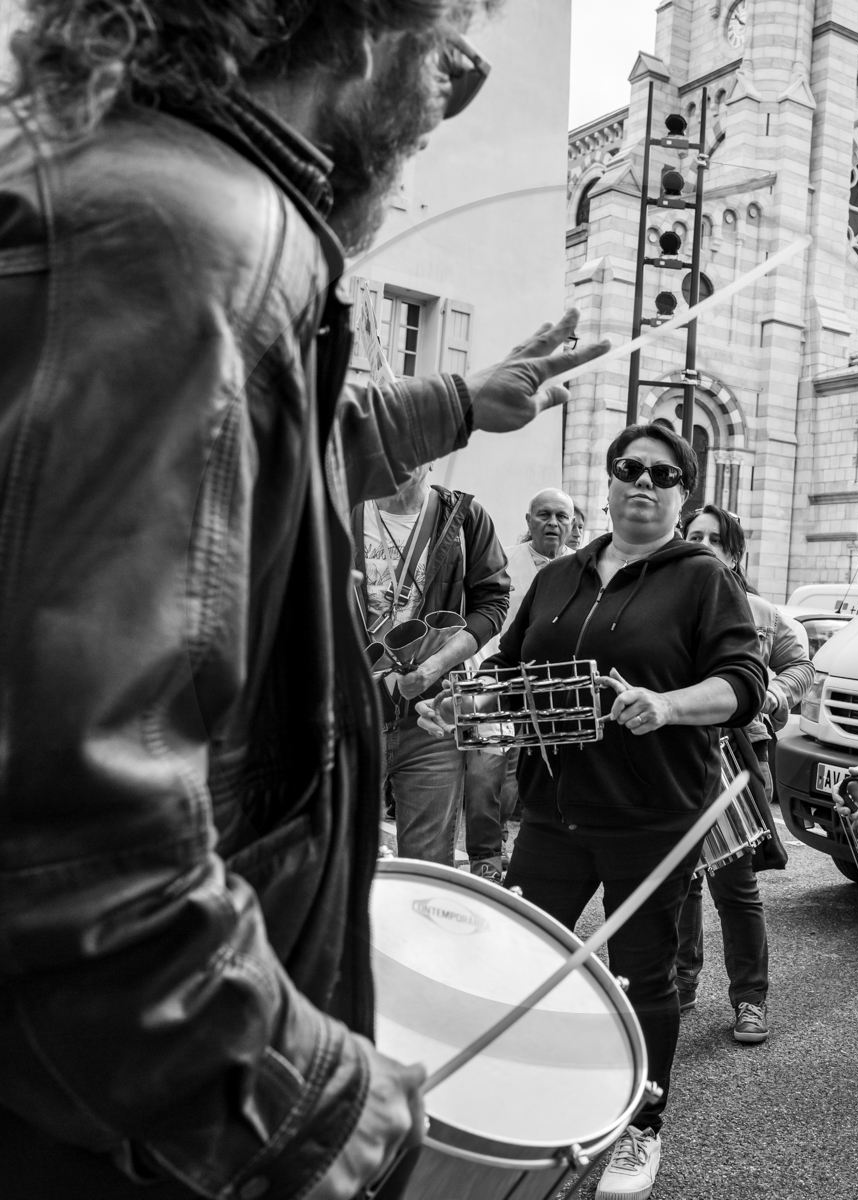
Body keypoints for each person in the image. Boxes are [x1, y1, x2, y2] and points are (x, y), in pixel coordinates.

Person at [0, 2, 608, 1195]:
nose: (445, 104)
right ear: (367, 36)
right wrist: (300, 1097)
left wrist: (458, 404)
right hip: (125, 1131)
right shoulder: (195, 244)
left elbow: (287, 421)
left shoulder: (148, 200)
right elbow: (62, 833)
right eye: (455, 63)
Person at [418, 424, 766, 1200]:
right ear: (608, 482)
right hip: (553, 810)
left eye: (663, 474)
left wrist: (667, 704)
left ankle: (642, 1126)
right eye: (628, 469)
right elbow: (508, 673)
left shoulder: (703, 577)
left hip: (653, 814)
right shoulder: (559, 577)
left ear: (685, 493)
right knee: (528, 962)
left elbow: (744, 682)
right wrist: (466, 709)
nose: (643, 482)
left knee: (645, 975)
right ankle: (531, 1101)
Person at [677, 504, 813, 1043]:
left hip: (739, 752)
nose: (704, 544)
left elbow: (799, 665)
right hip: (675, 755)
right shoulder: (664, 604)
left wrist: (776, 693)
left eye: (715, 538)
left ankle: (750, 1000)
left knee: (735, 884)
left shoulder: (761, 612)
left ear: (735, 554)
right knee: (680, 878)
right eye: (694, 536)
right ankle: (681, 981)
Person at [354, 462, 509, 862]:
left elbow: (492, 603)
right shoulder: (337, 512)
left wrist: (436, 665)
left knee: (426, 867)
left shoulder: (465, 517)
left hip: (431, 720)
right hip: (349, 718)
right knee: (340, 865)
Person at [462, 486, 575, 878]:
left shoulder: (581, 570)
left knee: (516, 778)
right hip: (497, 682)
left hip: (549, 695)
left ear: (572, 523)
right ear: (528, 522)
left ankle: (506, 846)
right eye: (544, 515)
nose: (553, 523)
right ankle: (484, 858)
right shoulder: (503, 563)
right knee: (484, 772)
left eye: (562, 516)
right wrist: (484, 679)